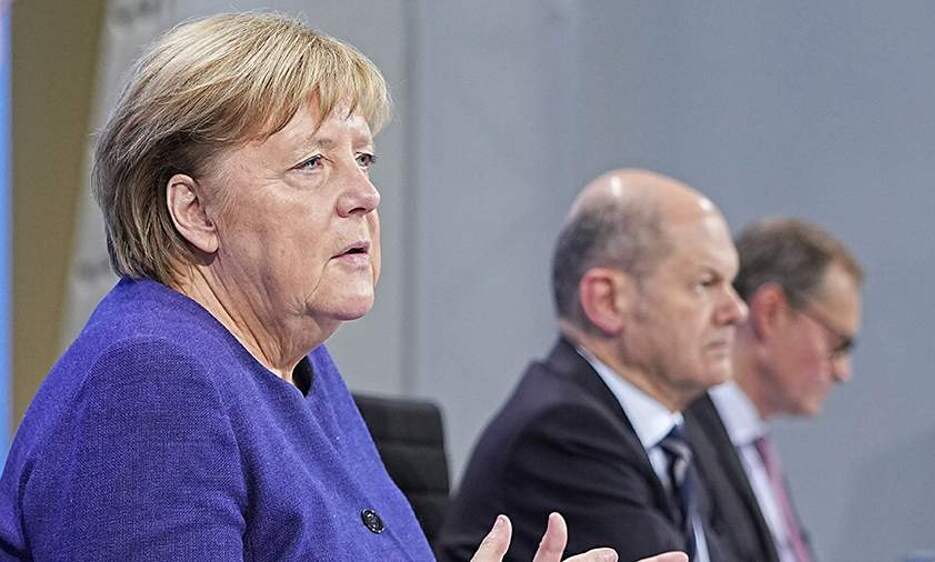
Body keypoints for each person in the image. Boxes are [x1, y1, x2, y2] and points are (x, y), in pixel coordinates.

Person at [0, 13, 686, 562]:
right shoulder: (150, 381)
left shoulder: (298, 365)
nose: (365, 194)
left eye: (363, 158)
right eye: (311, 164)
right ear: (196, 211)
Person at [437, 169, 748, 562]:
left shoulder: (680, 427)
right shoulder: (561, 432)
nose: (736, 310)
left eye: (731, 284)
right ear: (607, 301)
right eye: (705, 284)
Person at [685, 218, 864, 562]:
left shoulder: (756, 449)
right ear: (771, 313)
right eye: (837, 345)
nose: (843, 372)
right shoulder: (682, 444)